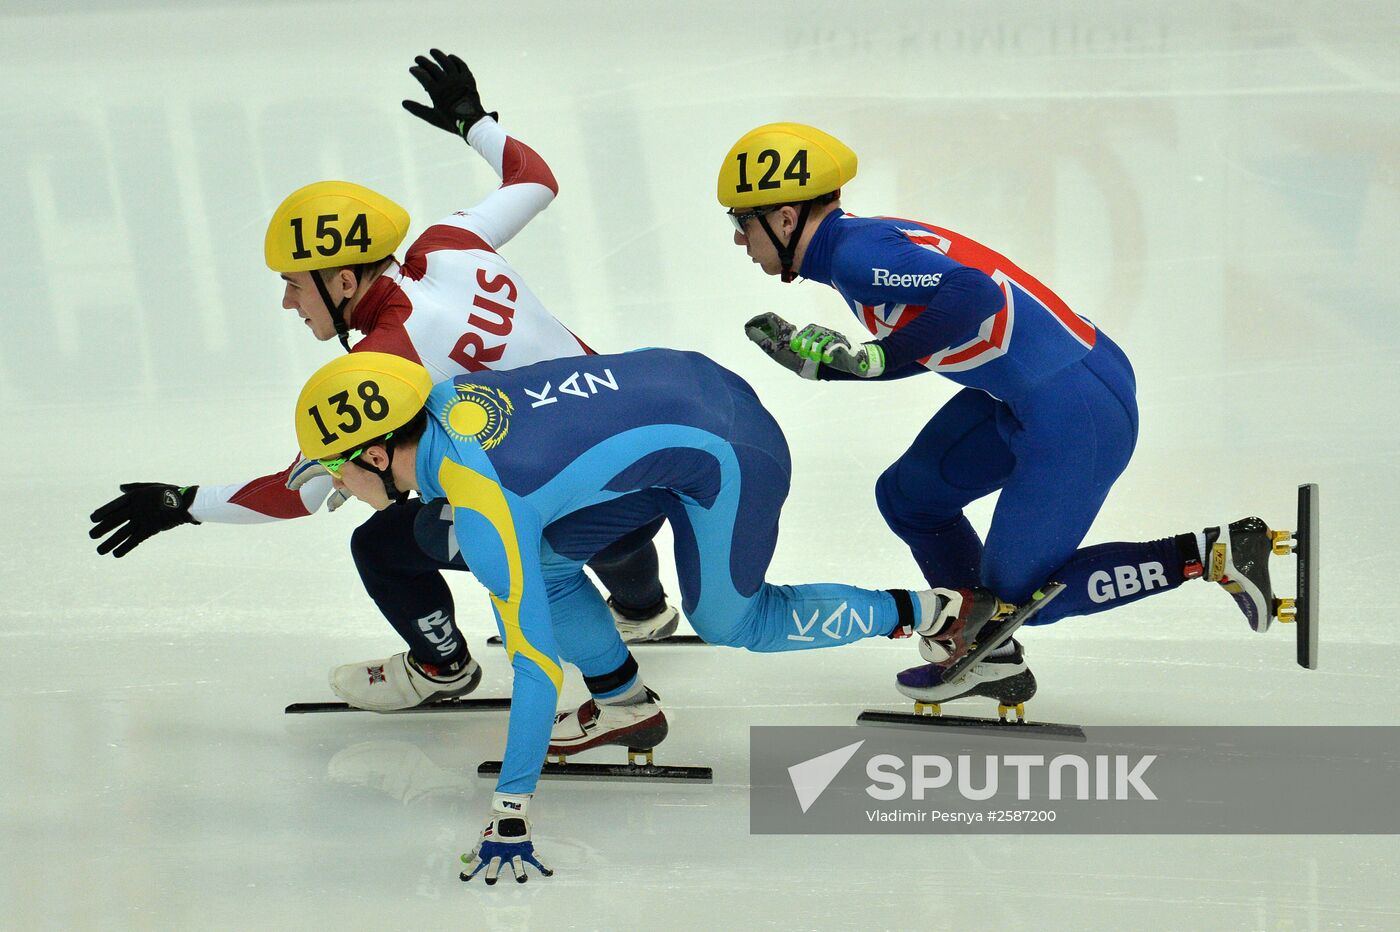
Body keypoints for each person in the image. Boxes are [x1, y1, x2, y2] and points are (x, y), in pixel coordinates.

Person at [87, 50, 677, 714]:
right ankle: (643, 604)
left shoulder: (385, 362)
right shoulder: (450, 241)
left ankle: (441, 667)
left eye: (293, 283)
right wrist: (474, 122)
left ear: (343, 280)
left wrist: (183, 503)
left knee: (380, 543)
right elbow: (533, 179)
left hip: (581, 506)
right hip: (648, 463)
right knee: (588, 488)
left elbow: (302, 491)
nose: (288, 304)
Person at [293, 349, 976, 883]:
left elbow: (534, 671)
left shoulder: (483, 508)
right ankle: (624, 703)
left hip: (732, 454)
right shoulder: (444, 400)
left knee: (731, 620)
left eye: (338, 475)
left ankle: (925, 610)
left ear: (377, 454)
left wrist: (510, 810)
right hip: (691, 394)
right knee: (554, 562)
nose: (341, 492)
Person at [721, 122, 1287, 704]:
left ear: (785, 218)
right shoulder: (854, 248)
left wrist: (872, 355)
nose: (740, 239)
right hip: (1038, 390)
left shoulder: (858, 259)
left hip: (1075, 411)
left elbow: (976, 297)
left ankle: (1212, 554)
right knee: (910, 497)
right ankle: (985, 648)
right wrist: (841, 365)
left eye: (742, 222)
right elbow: (942, 334)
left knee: (1017, 596)